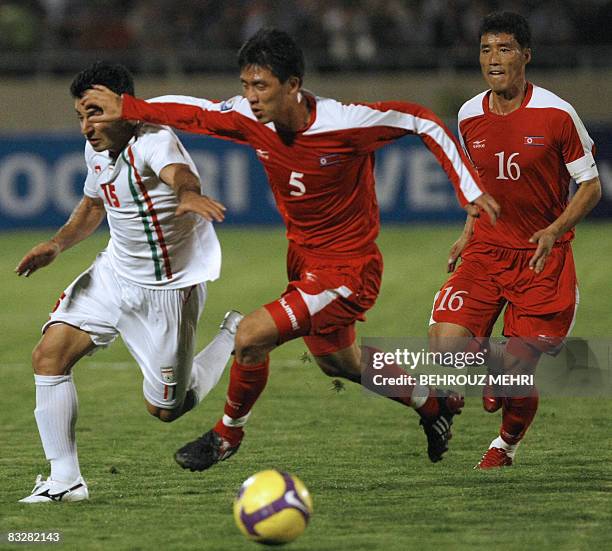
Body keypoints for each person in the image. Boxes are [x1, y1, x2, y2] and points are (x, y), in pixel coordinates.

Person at [82, 28, 500, 471]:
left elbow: (421, 118)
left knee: (250, 336)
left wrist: (466, 187)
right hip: (304, 259)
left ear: (293, 86)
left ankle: (227, 434)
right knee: (341, 363)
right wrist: (129, 108)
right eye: (245, 86)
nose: (250, 97)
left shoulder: (344, 123)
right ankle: (431, 406)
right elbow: (197, 113)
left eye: (260, 86)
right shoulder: (250, 117)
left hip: (346, 269)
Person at [15, 61, 241, 502]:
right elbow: (94, 204)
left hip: (167, 291)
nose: (87, 126)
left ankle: (231, 336)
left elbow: (179, 173)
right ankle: (66, 481)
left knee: (166, 408)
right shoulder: (97, 149)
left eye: (95, 112)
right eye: (81, 115)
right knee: (49, 356)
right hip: (114, 275)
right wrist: (57, 245)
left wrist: (189, 194)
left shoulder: (154, 139)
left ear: (127, 108)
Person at [428, 12, 601, 469]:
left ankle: (504, 445)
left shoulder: (557, 114)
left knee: (515, 378)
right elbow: (477, 183)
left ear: (526, 55)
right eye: (486, 50)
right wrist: (467, 230)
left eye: (504, 49)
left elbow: (590, 186)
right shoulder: (468, 114)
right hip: (486, 251)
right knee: (445, 349)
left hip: (542, 260)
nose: (494, 59)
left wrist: (554, 229)